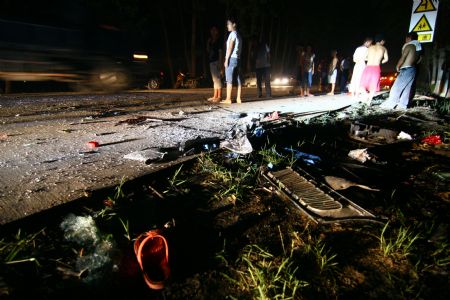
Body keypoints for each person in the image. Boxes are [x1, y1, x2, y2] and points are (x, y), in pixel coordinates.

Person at [380, 32, 422, 110]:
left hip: (406, 68)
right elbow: (420, 59)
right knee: (407, 88)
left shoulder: (409, 46)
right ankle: (402, 106)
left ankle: (390, 104)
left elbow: (403, 58)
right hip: (413, 69)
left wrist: (398, 66)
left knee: (396, 87)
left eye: (406, 38)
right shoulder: (419, 47)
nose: (405, 40)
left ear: (409, 38)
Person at [359, 34, 388, 104]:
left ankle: (366, 95)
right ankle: (369, 101)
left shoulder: (370, 47)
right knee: (373, 87)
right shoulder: (383, 48)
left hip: (368, 67)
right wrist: (380, 62)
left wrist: (369, 59)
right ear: (382, 41)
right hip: (376, 68)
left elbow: (364, 57)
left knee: (362, 86)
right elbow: (386, 59)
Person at [222, 17, 242, 104]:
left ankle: (228, 99)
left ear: (234, 24)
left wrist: (226, 59)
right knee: (238, 79)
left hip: (232, 58)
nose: (227, 26)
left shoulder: (233, 34)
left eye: (228, 24)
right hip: (238, 59)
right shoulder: (239, 35)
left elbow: (230, 47)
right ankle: (238, 99)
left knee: (229, 79)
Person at [206, 26, 223, 102]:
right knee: (214, 80)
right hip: (211, 61)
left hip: (217, 61)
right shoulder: (211, 41)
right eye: (211, 30)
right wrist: (208, 43)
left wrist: (220, 62)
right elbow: (208, 51)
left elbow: (220, 52)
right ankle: (215, 95)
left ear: (217, 32)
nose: (212, 31)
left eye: (214, 30)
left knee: (218, 78)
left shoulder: (219, 40)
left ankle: (219, 96)